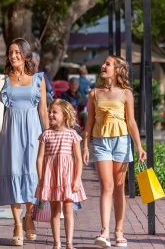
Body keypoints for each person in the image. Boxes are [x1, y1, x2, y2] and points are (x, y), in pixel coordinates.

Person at [82, 55, 146, 248]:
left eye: (108, 64)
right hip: (101, 142)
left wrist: (139, 146)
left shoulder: (126, 94)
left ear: (117, 70)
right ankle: (104, 231)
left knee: (118, 188)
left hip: (121, 142)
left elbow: (132, 122)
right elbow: (89, 122)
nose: (103, 66)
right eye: (104, 63)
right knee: (106, 186)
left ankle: (119, 230)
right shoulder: (94, 93)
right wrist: (85, 146)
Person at [0, 38, 49, 246]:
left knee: (33, 175)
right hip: (10, 133)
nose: (13, 56)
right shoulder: (2, 80)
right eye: (10, 52)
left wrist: (48, 135)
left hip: (33, 132)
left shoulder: (38, 79)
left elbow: (43, 110)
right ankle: (16, 224)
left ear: (25, 55)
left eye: (16, 52)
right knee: (14, 172)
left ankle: (29, 216)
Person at [35, 99, 87, 249]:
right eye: (50, 111)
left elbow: (77, 158)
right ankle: (56, 243)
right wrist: (40, 178)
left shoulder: (72, 134)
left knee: (69, 208)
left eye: (54, 112)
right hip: (51, 177)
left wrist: (77, 179)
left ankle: (69, 242)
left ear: (64, 115)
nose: (50, 114)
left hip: (67, 177)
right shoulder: (46, 134)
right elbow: (39, 158)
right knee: (54, 210)